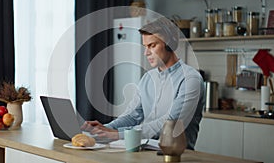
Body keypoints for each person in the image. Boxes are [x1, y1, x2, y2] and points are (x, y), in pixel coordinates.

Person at [81, 17, 205, 150]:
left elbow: (170, 124)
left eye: (152, 45)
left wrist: (118, 135)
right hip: (145, 151)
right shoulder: (148, 78)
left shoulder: (190, 79)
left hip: (178, 156)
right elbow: (132, 115)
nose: (146, 53)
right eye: (145, 46)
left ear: (169, 44)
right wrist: (106, 128)